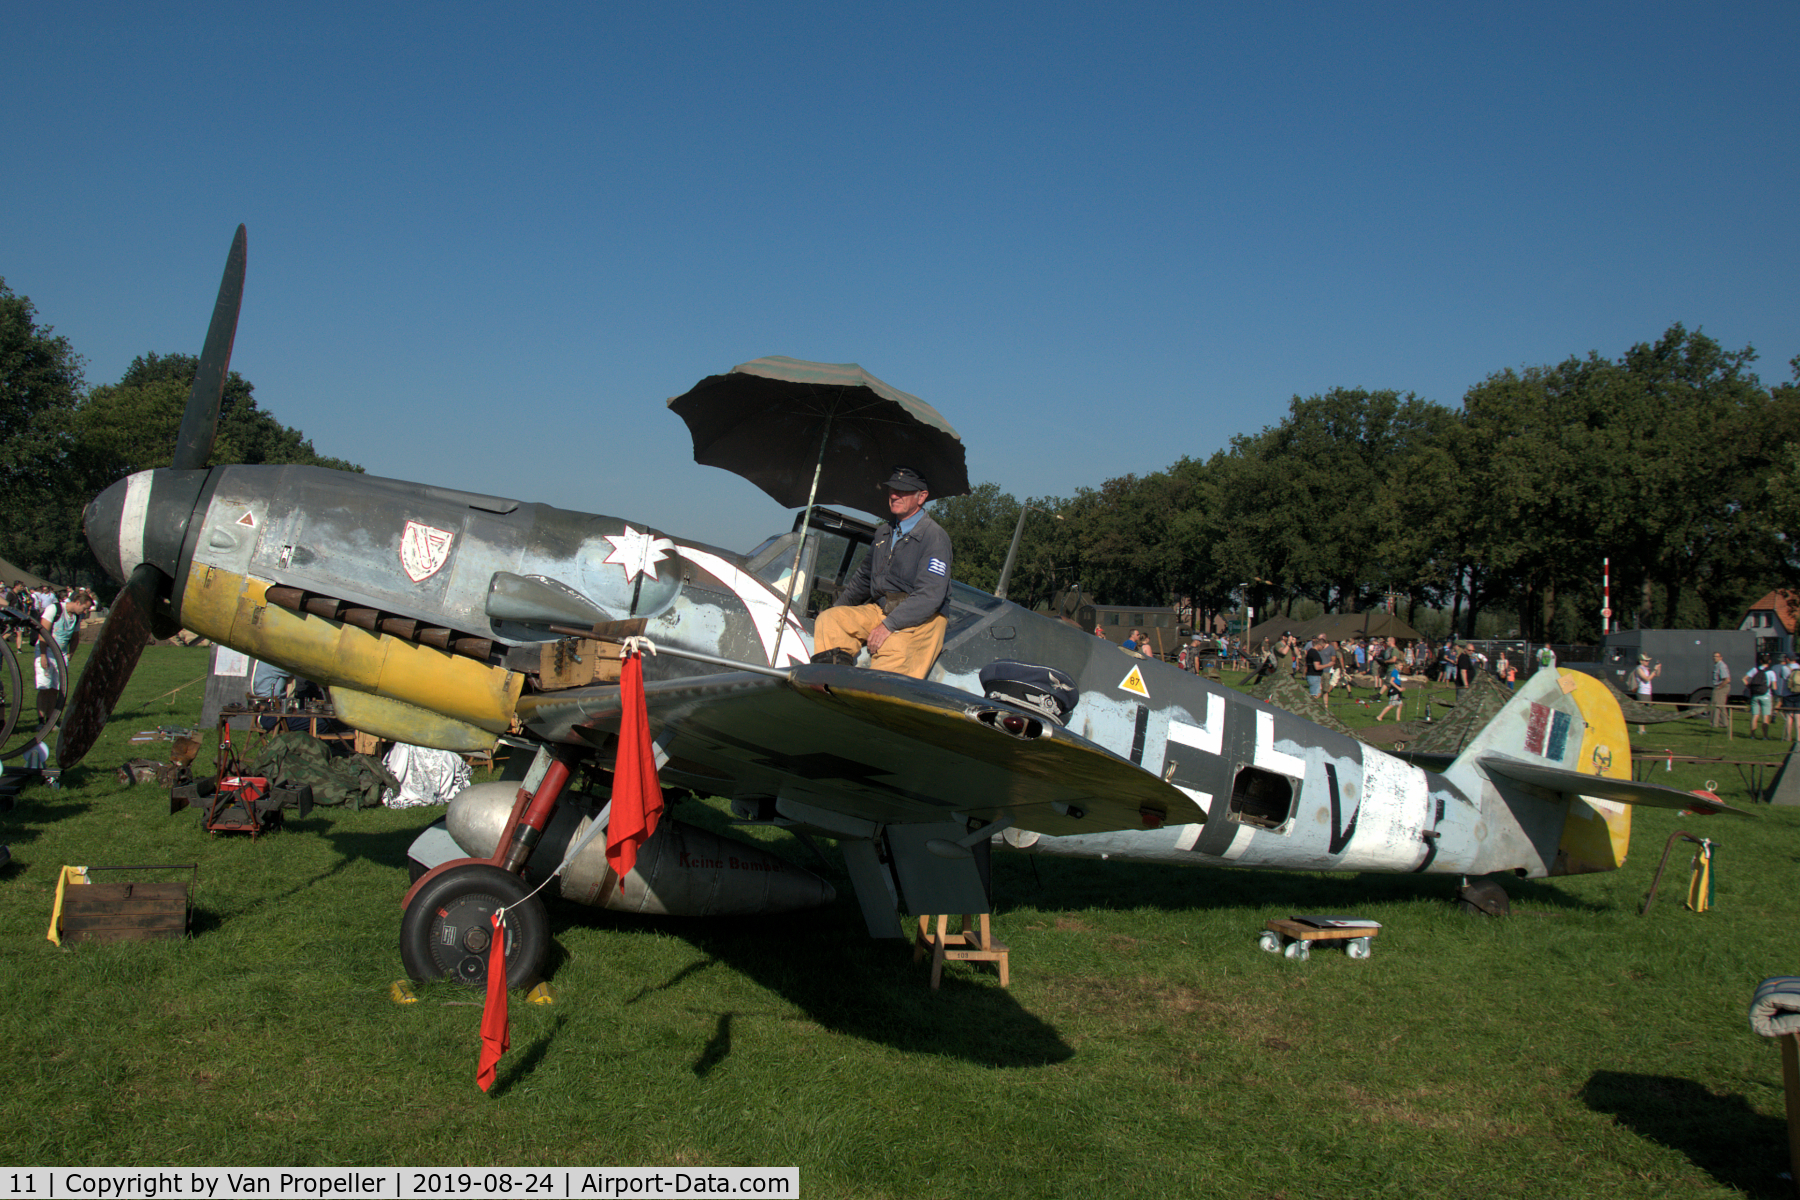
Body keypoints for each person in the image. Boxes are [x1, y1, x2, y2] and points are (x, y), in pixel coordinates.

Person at [811, 467, 953, 680]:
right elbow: (863, 579)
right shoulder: (883, 533)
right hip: (882, 610)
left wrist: (888, 626)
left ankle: (867, 700)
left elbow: (930, 595)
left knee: (893, 651)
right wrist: (837, 608)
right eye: (892, 489)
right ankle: (834, 682)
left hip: (921, 619)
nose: (894, 495)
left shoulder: (935, 537)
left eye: (903, 491)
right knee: (830, 620)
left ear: (922, 497)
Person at [1743, 656, 1779, 739]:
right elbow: (1774, 687)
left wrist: (1749, 687)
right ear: (1769, 661)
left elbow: (1744, 679)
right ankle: (1765, 736)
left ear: (1760, 661)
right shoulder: (1771, 672)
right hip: (1766, 695)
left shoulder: (1755, 670)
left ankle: (1752, 735)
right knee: (1765, 717)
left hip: (1755, 695)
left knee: (1754, 715)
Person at [1709, 651, 1732, 729]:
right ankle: (1724, 723)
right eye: (1714, 656)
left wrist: (1719, 687)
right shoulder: (1717, 665)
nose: (1714, 658)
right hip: (1720, 686)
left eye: (1716, 656)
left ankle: (1714, 724)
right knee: (1720, 706)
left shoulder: (1721, 665)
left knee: (1716, 706)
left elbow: (1727, 679)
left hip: (1721, 687)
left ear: (1721, 657)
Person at [1782, 653, 1800, 742]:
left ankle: (1788, 736)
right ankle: (1798, 737)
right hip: (1798, 694)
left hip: (1787, 694)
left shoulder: (1785, 668)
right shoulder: (1799, 667)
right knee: (1798, 716)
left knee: (1789, 716)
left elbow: (1782, 677)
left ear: (1788, 659)